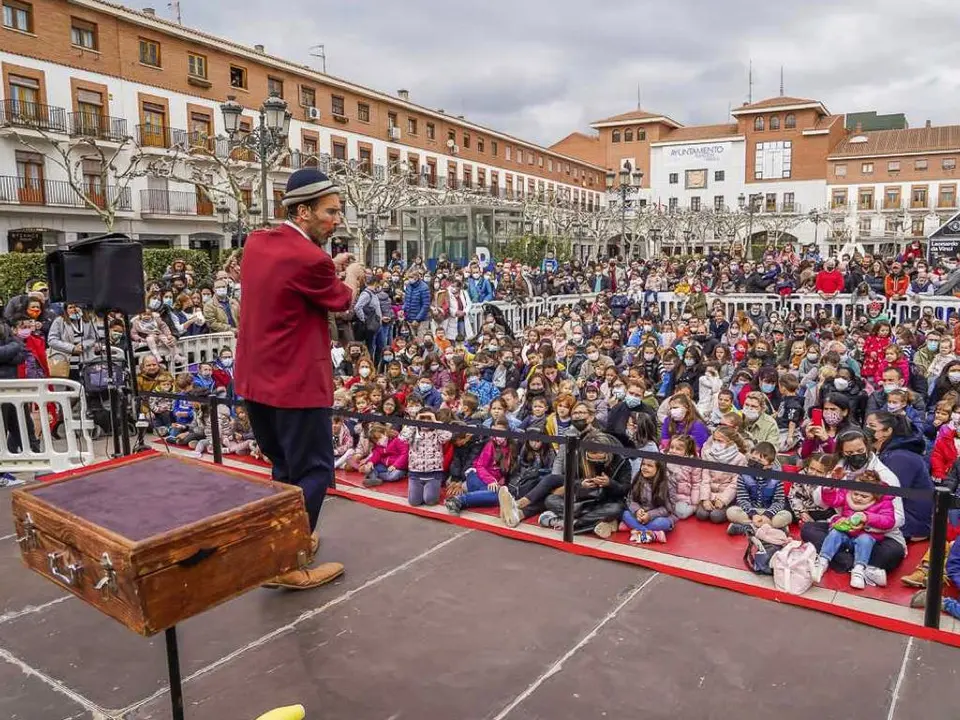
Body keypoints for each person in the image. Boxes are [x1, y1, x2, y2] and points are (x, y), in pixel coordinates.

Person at [235, 168, 356, 590]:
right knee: (316, 471)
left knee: (284, 467)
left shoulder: (257, 243)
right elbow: (341, 300)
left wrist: (327, 266)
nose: (337, 220)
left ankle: (284, 542)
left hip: (256, 381)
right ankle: (286, 562)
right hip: (295, 385)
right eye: (330, 212)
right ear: (303, 212)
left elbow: (293, 277)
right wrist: (350, 275)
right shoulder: (311, 260)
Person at [800, 429, 906, 582]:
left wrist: (866, 522)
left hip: (876, 534)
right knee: (808, 529)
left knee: (892, 553)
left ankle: (843, 560)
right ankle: (858, 564)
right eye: (849, 453)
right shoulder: (839, 469)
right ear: (842, 453)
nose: (856, 455)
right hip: (844, 528)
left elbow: (898, 518)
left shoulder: (885, 476)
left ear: (867, 447)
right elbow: (820, 501)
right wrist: (832, 482)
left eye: (860, 451)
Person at [812, 470, 897, 589]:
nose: (858, 498)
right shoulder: (847, 493)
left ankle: (859, 569)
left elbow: (889, 521)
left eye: (864, 496)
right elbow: (833, 500)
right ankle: (823, 560)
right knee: (835, 533)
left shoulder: (883, 502)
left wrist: (868, 518)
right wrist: (829, 489)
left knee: (865, 540)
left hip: (866, 536)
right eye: (856, 494)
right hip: (846, 533)